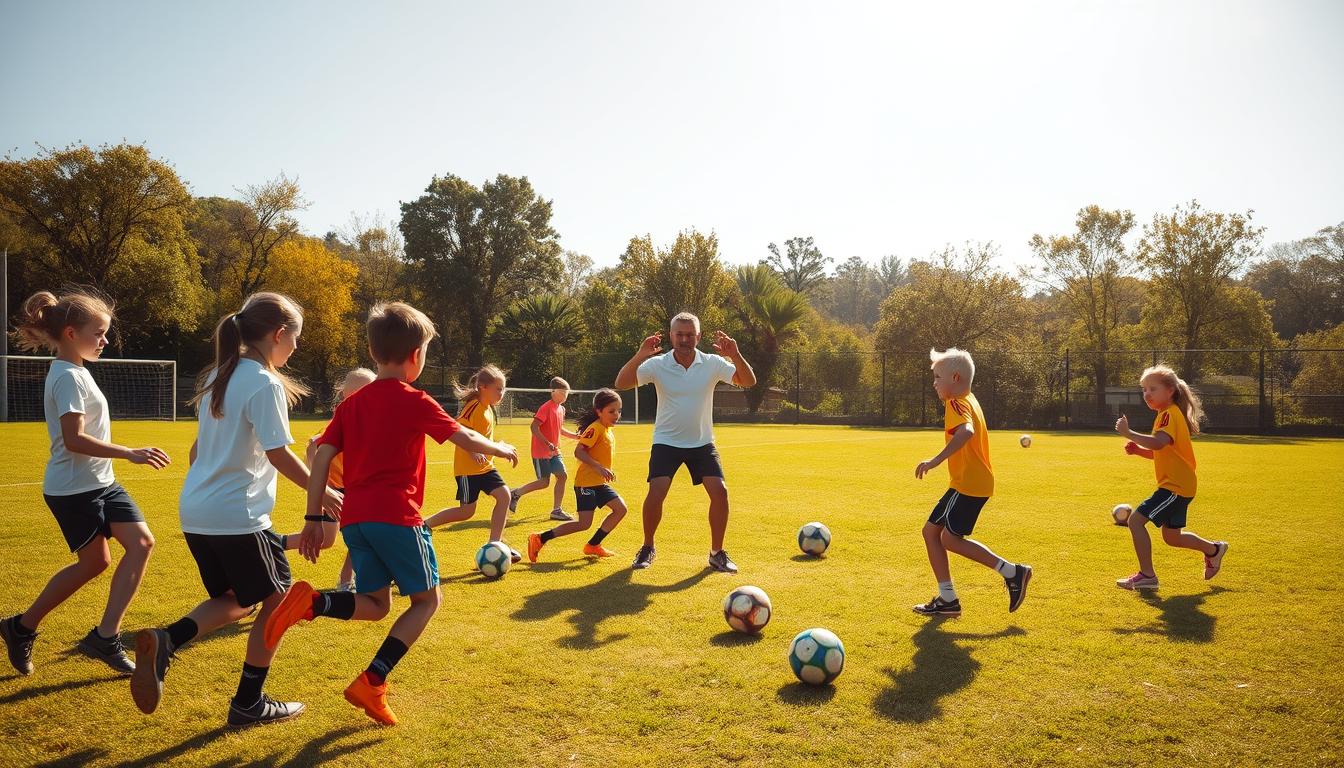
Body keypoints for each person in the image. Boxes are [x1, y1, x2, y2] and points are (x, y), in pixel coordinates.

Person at [264, 301, 517, 725]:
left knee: (376, 603)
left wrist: (312, 517)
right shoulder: (413, 399)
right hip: (397, 516)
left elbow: (321, 456)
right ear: (416, 356)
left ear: (371, 348)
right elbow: (464, 436)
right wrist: (500, 448)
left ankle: (313, 602)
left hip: (355, 519)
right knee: (427, 600)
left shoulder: (350, 406)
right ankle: (373, 680)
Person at [127, 292, 343, 727]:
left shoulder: (218, 376)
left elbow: (195, 451)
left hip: (197, 511)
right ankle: (248, 701)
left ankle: (168, 639)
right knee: (278, 600)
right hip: (236, 515)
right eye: (295, 339)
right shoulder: (263, 383)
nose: (296, 348)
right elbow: (280, 454)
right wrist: (320, 495)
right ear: (279, 334)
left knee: (236, 598)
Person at [1, 290, 168, 677]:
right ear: (72, 333)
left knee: (142, 543)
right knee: (95, 564)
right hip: (73, 490)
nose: (105, 341)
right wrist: (130, 452)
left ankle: (105, 637)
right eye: (100, 333)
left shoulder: (78, 372)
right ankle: (21, 626)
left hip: (102, 483)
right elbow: (74, 440)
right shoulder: (66, 377)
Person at [613, 312, 756, 573]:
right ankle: (647, 547)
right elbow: (621, 383)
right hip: (666, 441)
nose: (684, 339)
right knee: (656, 493)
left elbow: (748, 381)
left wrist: (734, 354)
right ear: (671, 336)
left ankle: (716, 553)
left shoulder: (712, 363)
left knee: (720, 492)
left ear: (698, 337)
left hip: (702, 442)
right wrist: (640, 355)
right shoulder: (658, 364)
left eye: (690, 334)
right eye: (679, 334)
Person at [912, 348, 1031, 618]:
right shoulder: (969, 399)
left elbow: (966, 432)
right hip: (966, 483)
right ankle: (947, 599)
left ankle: (1013, 572)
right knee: (931, 533)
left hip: (968, 484)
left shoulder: (956, 402)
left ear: (955, 378)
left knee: (950, 539)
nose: (934, 383)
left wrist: (935, 460)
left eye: (937, 377)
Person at [1114, 364, 1228, 590]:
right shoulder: (1166, 415)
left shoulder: (1168, 416)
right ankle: (1214, 550)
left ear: (1170, 391)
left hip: (1174, 487)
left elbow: (1158, 442)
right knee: (1172, 537)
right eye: (1144, 389)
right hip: (1181, 485)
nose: (1147, 394)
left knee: (1136, 521)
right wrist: (1138, 450)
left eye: (1152, 389)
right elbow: (1161, 451)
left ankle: (1147, 576)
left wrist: (1129, 433)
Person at [279, 367, 376, 591]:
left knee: (364, 532)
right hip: (333, 488)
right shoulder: (346, 415)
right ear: (347, 395)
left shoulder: (370, 414)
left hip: (353, 487)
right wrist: (319, 484)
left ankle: (345, 581)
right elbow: (313, 444)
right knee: (326, 541)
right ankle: (275, 544)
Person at [423, 365, 521, 562]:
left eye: (503, 389)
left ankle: (496, 544)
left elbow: (483, 436)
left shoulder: (488, 410)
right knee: (467, 511)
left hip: (485, 467)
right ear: (483, 387)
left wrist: (498, 445)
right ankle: (425, 525)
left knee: (504, 496)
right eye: (498, 389)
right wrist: (473, 451)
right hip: (468, 470)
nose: (502, 393)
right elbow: (460, 432)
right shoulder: (474, 406)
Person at [527, 389, 627, 562]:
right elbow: (578, 451)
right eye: (612, 411)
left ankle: (593, 545)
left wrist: (604, 470)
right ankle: (540, 538)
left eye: (618, 411)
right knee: (583, 524)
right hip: (586, 485)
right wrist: (598, 467)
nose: (616, 415)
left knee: (620, 509)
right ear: (599, 411)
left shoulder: (606, 429)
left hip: (598, 484)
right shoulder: (595, 428)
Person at [510, 376, 581, 521]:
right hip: (541, 452)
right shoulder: (545, 408)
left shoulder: (561, 409)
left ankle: (556, 510)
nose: (565, 395)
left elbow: (559, 428)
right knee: (544, 482)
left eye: (566, 393)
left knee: (562, 476)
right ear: (553, 392)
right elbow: (534, 427)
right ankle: (515, 493)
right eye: (563, 392)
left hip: (554, 452)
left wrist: (575, 436)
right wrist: (547, 442)